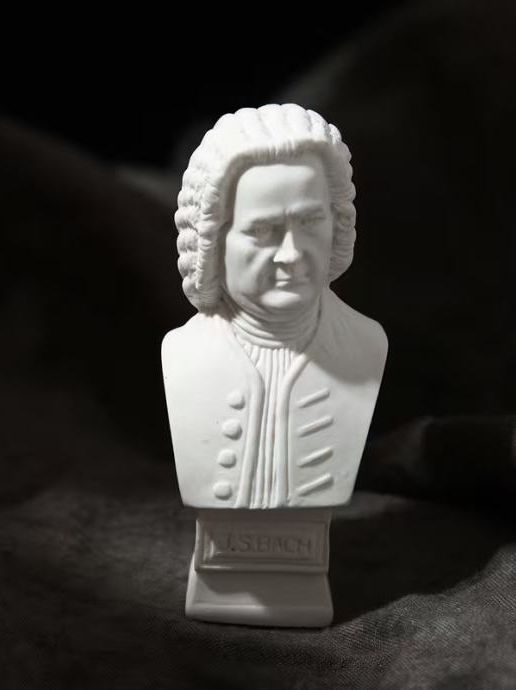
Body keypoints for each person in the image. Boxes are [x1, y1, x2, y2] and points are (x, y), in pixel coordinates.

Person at [162, 104, 388, 509]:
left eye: (310, 222)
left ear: (337, 222)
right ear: (213, 240)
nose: (291, 253)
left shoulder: (365, 343)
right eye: (263, 230)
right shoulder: (184, 353)